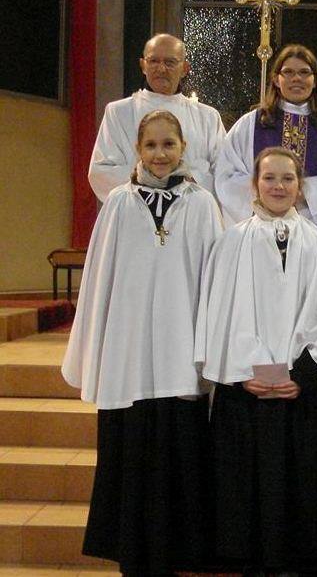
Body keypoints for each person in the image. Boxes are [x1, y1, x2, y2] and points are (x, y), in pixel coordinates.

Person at [62, 109, 223, 575]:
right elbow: (99, 280)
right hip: (127, 353)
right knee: (130, 455)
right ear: (137, 150)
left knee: (180, 453)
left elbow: (213, 281)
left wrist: (210, 349)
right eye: (150, 145)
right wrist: (96, 347)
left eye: (168, 144)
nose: (159, 154)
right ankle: (132, 553)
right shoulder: (118, 203)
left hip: (181, 354)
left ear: (183, 148)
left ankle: (178, 552)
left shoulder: (201, 203)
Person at [195, 146, 317, 574]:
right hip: (247, 389)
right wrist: (245, 372)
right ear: (254, 184)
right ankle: (252, 561)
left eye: (287, 178)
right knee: (246, 481)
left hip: (299, 387)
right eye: (270, 177)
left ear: (300, 187)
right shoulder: (232, 241)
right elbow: (222, 312)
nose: (278, 186)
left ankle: (294, 561)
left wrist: (305, 373)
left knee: (300, 478)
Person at [215, 44, 317, 249]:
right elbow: (227, 175)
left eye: (304, 72)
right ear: (276, 79)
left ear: (315, 81)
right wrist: (269, 192)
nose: (297, 78)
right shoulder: (250, 124)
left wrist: (304, 191)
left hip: (314, 234)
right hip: (260, 230)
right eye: (289, 72)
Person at [89, 33, 226, 200]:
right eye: (153, 61)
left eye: (170, 62)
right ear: (143, 65)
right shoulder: (118, 113)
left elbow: (224, 174)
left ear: (185, 68)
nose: (161, 69)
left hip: (192, 208)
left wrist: (188, 180)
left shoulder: (208, 117)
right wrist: (148, 180)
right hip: (136, 207)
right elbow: (101, 172)